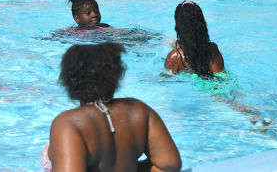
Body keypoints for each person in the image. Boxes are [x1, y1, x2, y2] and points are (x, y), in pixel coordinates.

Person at [43, 42, 181, 172]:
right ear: (116, 76)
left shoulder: (69, 123)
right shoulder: (138, 110)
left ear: (70, 80)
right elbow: (169, 165)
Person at [164, 1, 224, 77]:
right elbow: (222, 78)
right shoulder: (213, 50)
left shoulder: (175, 57)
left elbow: (165, 82)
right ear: (203, 26)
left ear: (176, 27)